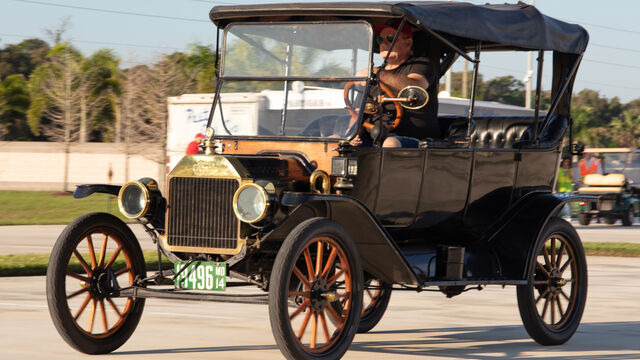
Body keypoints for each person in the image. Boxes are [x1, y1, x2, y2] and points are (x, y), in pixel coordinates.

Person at [373, 21, 439, 148]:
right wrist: (353, 135)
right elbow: (358, 113)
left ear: (408, 42)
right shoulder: (373, 74)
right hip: (374, 134)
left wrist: (378, 74)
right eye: (380, 39)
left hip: (414, 139)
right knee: (336, 141)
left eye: (390, 38)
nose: (384, 43)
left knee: (390, 143)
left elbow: (416, 86)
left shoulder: (422, 65)